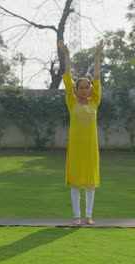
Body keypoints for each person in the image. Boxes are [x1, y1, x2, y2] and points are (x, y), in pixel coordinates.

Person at [58, 39, 104, 226]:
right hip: (76, 148)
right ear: (76, 91)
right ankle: (77, 217)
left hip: (91, 148)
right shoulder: (72, 102)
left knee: (90, 183)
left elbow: (97, 76)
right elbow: (68, 78)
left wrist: (97, 56)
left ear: (90, 90)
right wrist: (67, 55)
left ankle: (89, 216)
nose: (85, 90)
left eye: (87, 87)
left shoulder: (95, 102)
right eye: (81, 88)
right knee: (76, 183)